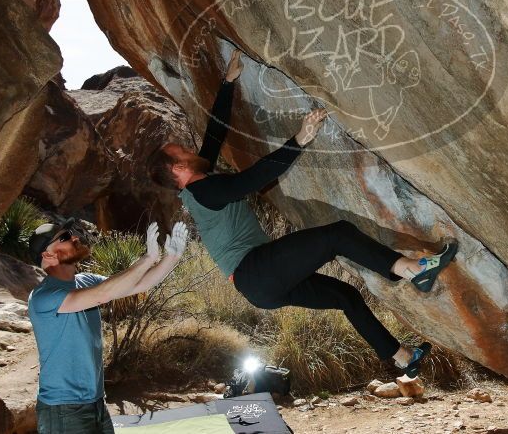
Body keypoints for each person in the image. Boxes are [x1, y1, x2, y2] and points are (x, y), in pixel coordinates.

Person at [148, 49, 457, 377]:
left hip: (259, 286)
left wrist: (227, 83)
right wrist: (300, 139)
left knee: (345, 295)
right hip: (256, 271)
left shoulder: (199, 180)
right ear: (179, 168)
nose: (188, 149)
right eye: (181, 151)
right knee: (336, 235)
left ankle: (402, 357)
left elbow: (214, 134)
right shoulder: (203, 190)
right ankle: (411, 269)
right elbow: (254, 178)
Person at [27, 218, 188, 434]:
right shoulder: (43, 297)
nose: (75, 237)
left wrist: (172, 257)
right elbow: (104, 294)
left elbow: (138, 284)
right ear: (47, 255)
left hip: (96, 403)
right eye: (64, 237)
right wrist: (148, 258)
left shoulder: (86, 281)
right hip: (63, 410)